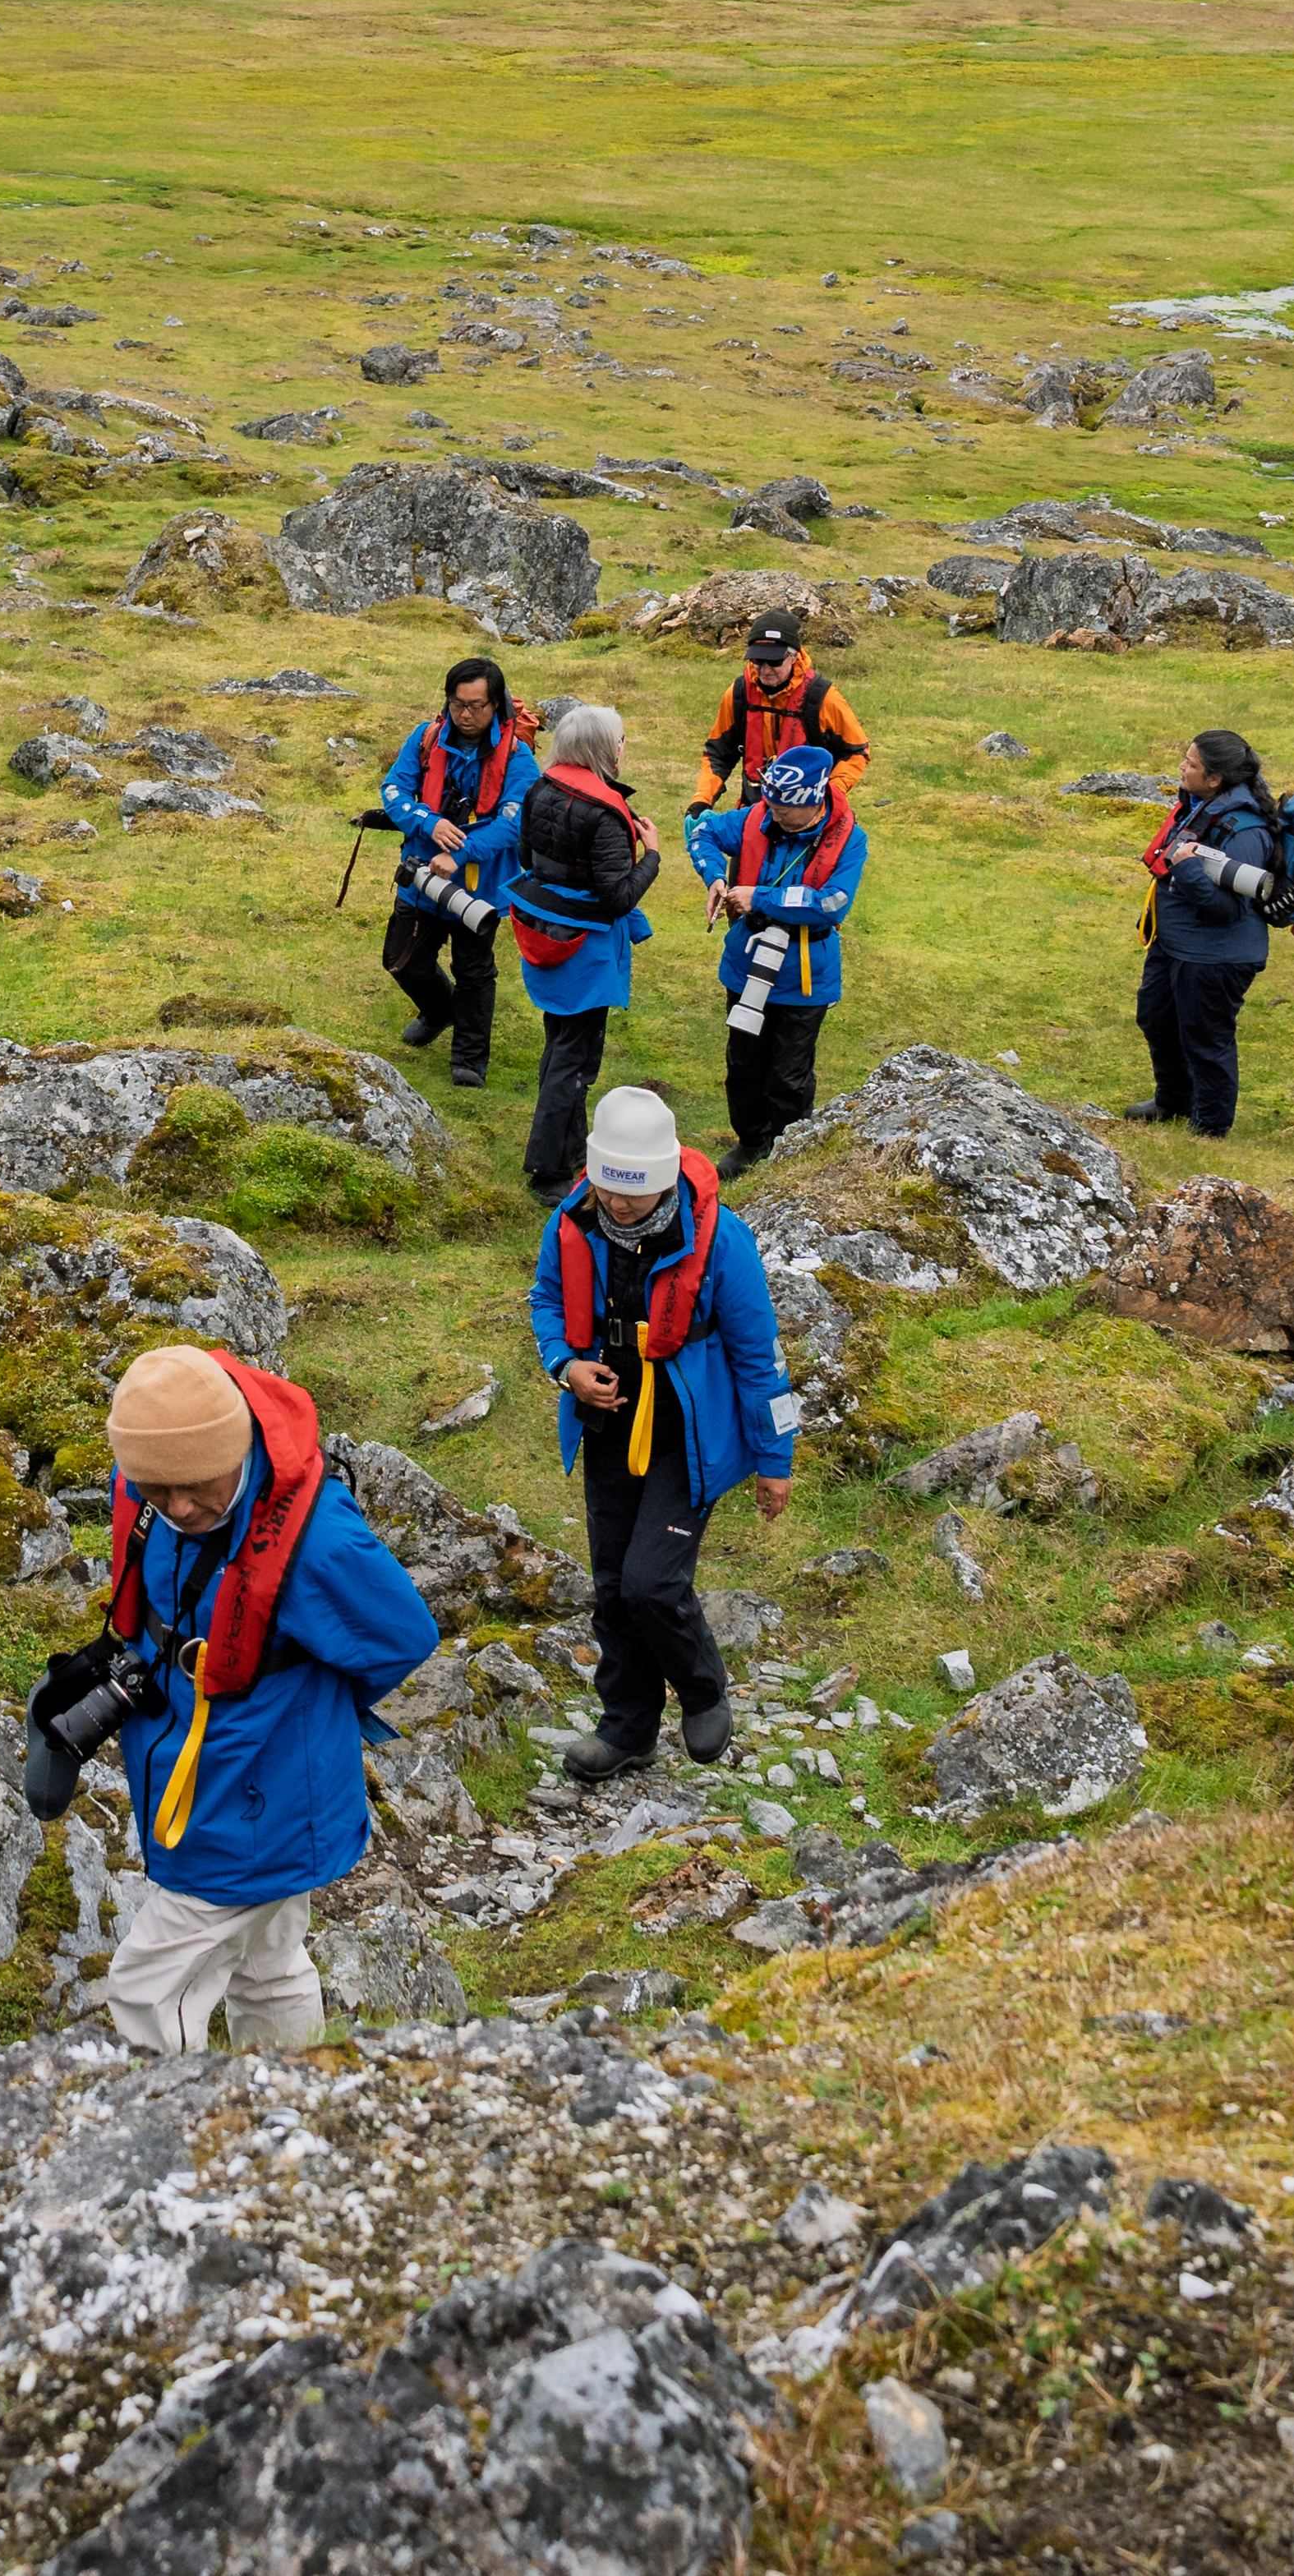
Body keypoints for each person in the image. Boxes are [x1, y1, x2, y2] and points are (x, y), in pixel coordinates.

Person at [35, 1344, 436, 2053]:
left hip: (256, 1798)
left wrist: (298, 1707)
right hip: (208, 1765)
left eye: (195, 1484)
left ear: (237, 1445)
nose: (179, 1507)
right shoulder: (151, 1481)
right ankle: (286, 2114)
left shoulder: (320, 1540)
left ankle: (161, 2142)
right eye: (157, 1491)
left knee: (144, 1990)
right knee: (269, 1965)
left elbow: (401, 1635)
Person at [529, 1087, 797, 1779]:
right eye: (610, 1190)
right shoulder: (572, 1221)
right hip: (609, 1426)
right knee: (614, 1587)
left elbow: (760, 1357)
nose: (620, 1206)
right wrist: (566, 1367)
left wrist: (776, 1459)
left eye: (637, 1192)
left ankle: (703, 1689)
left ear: (666, 1176)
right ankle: (627, 1728)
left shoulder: (720, 1239)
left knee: (652, 1584)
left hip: (689, 1439)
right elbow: (547, 1303)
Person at [500, 700, 661, 1200]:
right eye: (619, 740)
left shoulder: (540, 788)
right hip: (584, 952)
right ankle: (548, 1171)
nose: (623, 747)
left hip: (543, 935)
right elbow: (617, 898)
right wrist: (652, 855)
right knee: (575, 1061)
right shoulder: (605, 813)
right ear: (601, 749)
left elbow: (526, 856)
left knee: (560, 1047)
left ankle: (571, 1151)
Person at [686, 743, 863, 1177]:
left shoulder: (850, 840)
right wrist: (715, 876)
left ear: (814, 803)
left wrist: (760, 897)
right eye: (772, 802)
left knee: (790, 1075)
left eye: (785, 807)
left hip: (805, 980)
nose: (775, 813)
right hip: (745, 967)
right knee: (742, 1064)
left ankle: (791, 1154)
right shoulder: (757, 816)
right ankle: (750, 1142)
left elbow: (832, 904)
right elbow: (700, 831)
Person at [372, 655, 539, 1088]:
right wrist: (429, 823)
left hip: (478, 889)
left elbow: (514, 822)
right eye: (458, 704)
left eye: (477, 706)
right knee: (402, 961)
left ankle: (469, 1059)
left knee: (474, 971)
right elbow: (394, 790)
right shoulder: (425, 738)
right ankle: (439, 1010)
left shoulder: (519, 757)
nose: (466, 715)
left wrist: (460, 853)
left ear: (496, 705)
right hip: (420, 878)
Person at [1128, 726, 1282, 1138]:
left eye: (1191, 764)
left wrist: (1188, 868)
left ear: (1215, 778)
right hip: (1175, 942)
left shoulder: (1246, 832)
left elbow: (1226, 911)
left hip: (1217, 957)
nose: (1182, 766)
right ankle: (1172, 1102)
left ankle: (1211, 1128)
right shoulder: (1200, 805)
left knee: (1206, 1036)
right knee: (1156, 1018)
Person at [689, 609, 872, 815]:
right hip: (754, 811)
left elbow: (857, 752)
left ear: (794, 656)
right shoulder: (739, 694)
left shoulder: (823, 698)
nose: (765, 669)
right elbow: (718, 754)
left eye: (775, 661)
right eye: (758, 660)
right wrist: (702, 800)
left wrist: (829, 797)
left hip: (808, 815)